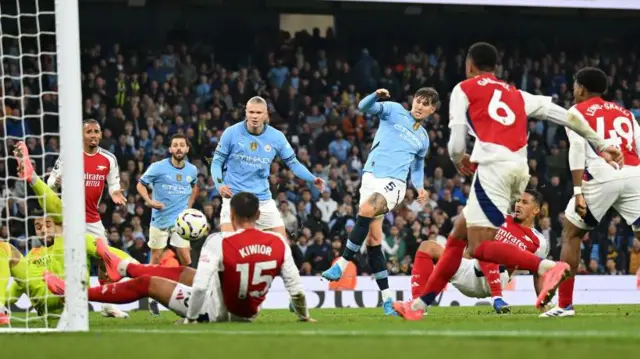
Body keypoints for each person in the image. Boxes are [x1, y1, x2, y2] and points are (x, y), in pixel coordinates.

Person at [395, 42, 622, 320]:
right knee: (457, 236)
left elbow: (455, 144)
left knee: (479, 246)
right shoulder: (516, 93)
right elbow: (565, 116)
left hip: (492, 167)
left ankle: (547, 267)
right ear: (496, 67)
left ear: (469, 65)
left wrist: (458, 159)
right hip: (518, 167)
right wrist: (600, 143)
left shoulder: (463, 89)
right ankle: (419, 306)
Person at [45, 192, 314, 324]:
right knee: (186, 272)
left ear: (230, 215)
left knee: (148, 285)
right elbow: (297, 291)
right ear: (258, 216)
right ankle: (128, 266)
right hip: (247, 312)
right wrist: (303, 317)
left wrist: (192, 319)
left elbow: (198, 290)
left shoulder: (220, 242)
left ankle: (75, 293)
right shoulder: (278, 242)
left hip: (216, 312)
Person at [322, 87, 439, 315]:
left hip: (393, 184)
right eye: (418, 100)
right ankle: (387, 301)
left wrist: (419, 186)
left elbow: (417, 165)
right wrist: (375, 95)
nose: (419, 106)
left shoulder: (423, 138)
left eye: (425, 104)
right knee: (374, 240)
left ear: (431, 110)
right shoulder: (394, 110)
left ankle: (341, 265)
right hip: (370, 177)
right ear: (413, 100)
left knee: (366, 209)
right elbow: (363, 107)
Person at [541, 67, 640, 318]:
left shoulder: (577, 111)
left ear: (581, 88)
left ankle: (564, 305)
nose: (574, 91)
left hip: (601, 173)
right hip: (633, 172)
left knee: (572, 233)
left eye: (575, 86)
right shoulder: (625, 113)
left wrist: (577, 191)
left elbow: (576, 150)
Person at [0, 142, 134, 325]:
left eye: (47, 224)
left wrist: (133, 267)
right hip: (45, 300)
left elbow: (112, 253)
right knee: (4, 248)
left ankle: (32, 178)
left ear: (57, 225)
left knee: (80, 235)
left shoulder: (73, 240)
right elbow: (16, 290)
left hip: (70, 299)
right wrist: (5, 301)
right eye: (38, 227)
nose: (43, 229)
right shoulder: (32, 255)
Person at [410, 189, 549, 314]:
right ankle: (417, 305)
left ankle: (497, 298)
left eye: (524, 202)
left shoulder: (539, 242)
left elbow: (538, 273)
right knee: (427, 247)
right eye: (518, 200)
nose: (518, 204)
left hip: (497, 278)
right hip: (470, 269)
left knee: (490, 248)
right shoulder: (500, 217)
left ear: (536, 210)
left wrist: (542, 302)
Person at [46, 119, 129, 319]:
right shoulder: (70, 156)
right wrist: (56, 182)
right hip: (67, 219)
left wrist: (115, 192)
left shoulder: (108, 159)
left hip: (92, 219)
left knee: (104, 258)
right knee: (68, 262)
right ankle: (65, 305)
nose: (93, 135)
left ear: (101, 135)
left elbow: (113, 184)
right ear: (82, 135)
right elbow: (49, 185)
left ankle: (107, 305)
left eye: (96, 132)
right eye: (89, 131)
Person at [211, 96, 325, 237]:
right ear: (245, 113)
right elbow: (216, 162)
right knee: (229, 249)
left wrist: (312, 179)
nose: (254, 116)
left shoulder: (276, 137)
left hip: (262, 200)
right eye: (251, 112)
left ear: (266, 114)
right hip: (234, 198)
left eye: (258, 113)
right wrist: (219, 184)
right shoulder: (231, 132)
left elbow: (293, 163)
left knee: (282, 247)